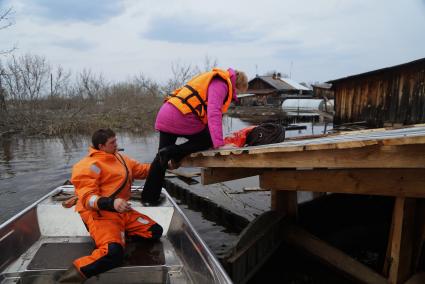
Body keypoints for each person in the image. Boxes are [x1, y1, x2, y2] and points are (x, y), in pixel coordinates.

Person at [58, 128, 163, 283]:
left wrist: (164, 164)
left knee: (154, 231)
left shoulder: (121, 159)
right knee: (113, 254)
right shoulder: (87, 166)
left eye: (116, 140)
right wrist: (110, 203)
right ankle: (71, 276)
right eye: (112, 142)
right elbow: (88, 199)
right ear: (101, 146)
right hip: (99, 214)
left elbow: (142, 170)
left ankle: (118, 236)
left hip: (122, 211)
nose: (116, 144)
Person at [141, 67, 248, 205]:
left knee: (160, 158)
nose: (237, 95)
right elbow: (213, 112)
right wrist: (219, 144)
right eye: (239, 91)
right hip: (181, 116)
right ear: (238, 85)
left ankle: (149, 197)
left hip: (167, 112)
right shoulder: (221, 84)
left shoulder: (215, 78)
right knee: (207, 140)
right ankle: (172, 152)